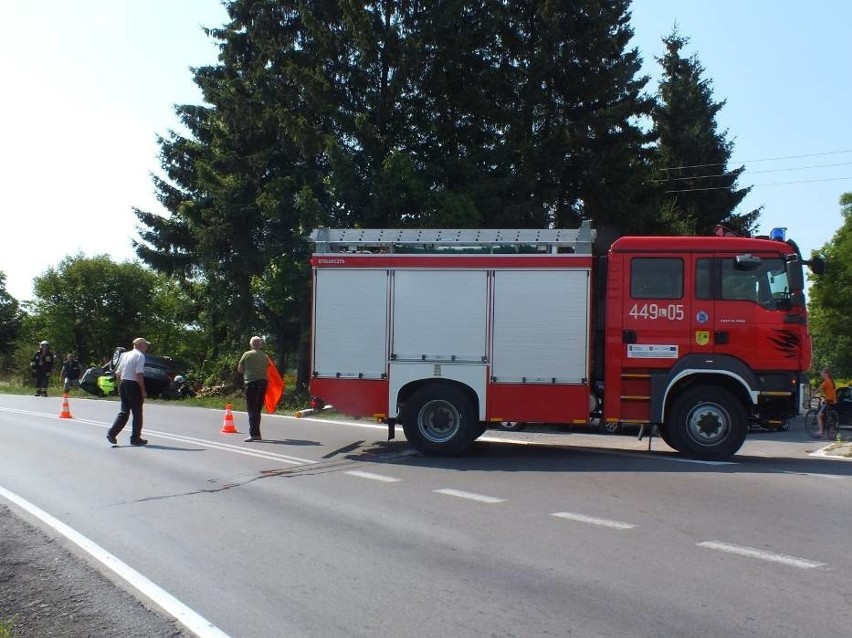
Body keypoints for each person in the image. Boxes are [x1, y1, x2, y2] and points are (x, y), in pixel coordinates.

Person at [106, 338, 150, 446]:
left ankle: (112, 433)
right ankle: (135, 438)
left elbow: (118, 373)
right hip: (133, 385)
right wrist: (143, 390)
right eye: (145, 345)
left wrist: (119, 385)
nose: (147, 347)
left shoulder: (124, 355)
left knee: (124, 412)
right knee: (137, 413)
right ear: (140, 345)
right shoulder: (140, 356)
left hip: (124, 383)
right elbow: (139, 374)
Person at [237, 336, 270, 442]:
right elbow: (268, 367)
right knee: (258, 409)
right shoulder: (265, 356)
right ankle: (257, 433)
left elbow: (240, 369)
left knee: (252, 409)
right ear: (260, 345)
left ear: (251, 344)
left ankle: (254, 434)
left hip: (252, 383)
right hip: (263, 382)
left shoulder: (247, 354)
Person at [816, 367, 837, 438]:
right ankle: (830, 427)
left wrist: (812, 395)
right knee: (826, 415)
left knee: (819, 415)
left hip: (828, 401)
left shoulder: (826, 382)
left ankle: (821, 432)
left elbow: (818, 389)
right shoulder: (831, 381)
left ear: (826, 374)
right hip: (833, 401)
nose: (821, 374)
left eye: (822, 372)